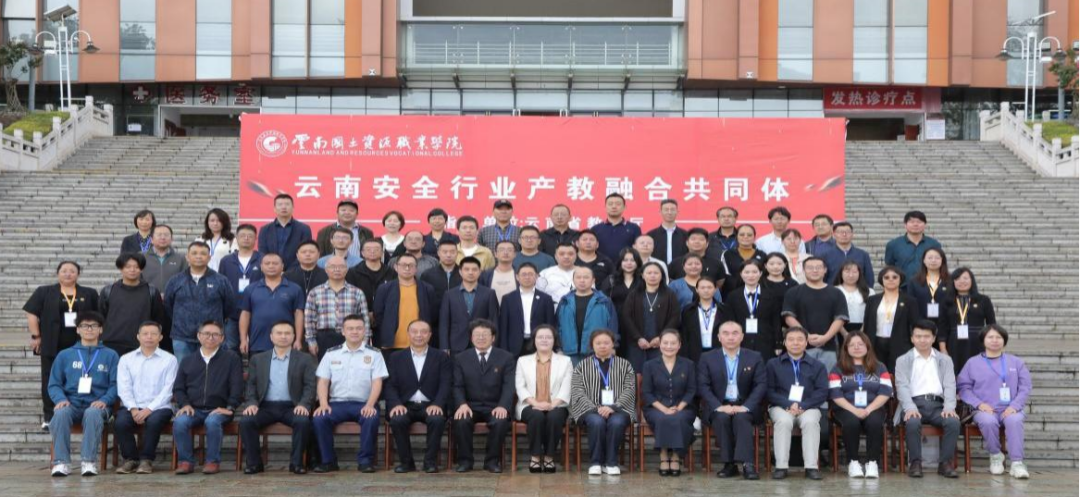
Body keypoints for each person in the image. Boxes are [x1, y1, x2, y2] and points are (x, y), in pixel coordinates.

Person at [25, 261, 100, 430]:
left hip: (81, 344)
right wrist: (36, 336)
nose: (68, 274)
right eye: (64, 270)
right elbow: (31, 313)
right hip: (52, 343)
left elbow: (98, 316)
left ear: (78, 274)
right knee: (50, 378)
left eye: (72, 271)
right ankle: (49, 416)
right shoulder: (44, 292)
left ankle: (80, 413)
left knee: (82, 375)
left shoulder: (89, 293)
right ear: (58, 273)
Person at [238, 321, 317, 475]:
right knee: (246, 421)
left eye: (287, 333)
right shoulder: (258, 359)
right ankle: (254, 463)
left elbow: (310, 385)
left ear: (294, 336)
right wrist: (252, 403)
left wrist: (304, 404)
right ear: (271, 336)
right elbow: (251, 385)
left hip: (292, 406)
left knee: (302, 421)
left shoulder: (305, 359)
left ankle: (297, 463)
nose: (283, 336)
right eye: (279, 333)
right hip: (265, 406)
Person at [312, 315, 388, 473]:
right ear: (343, 331)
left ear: (364, 331)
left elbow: (377, 382)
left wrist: (370, 404)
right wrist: (323, 404)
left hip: (363, 403)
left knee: (371, 417)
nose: (355, 332)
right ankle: (328, 461)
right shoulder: (331, 354)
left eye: (359, 328)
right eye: (350, 328)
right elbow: (323, 381)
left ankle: (365, 461)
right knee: (320, 418)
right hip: (336, 404)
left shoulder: (375, 354)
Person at [46, 312, 119, 477]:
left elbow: (116, 384)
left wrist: (105, 400)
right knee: (60, 414)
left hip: (97, 404)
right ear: (78, 330)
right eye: (84, 326)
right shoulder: (65, 355)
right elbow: (54, 384)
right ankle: (61, 463)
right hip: (71, 403)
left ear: (101, 329)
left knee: (93, 413)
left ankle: (88, 461)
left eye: (94, 326)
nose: (89, 329)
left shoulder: (111, 355)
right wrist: (60, 399)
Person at [957, 324, 1032, 479]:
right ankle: (996, 455)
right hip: (984, 409)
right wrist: (979, 404)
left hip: (1010, 409)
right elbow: (963, 388)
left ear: (1004, 340)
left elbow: (1025, 387)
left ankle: (1017, 463)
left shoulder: (1016, 362)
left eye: (998, 337)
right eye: (990, 337)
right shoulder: (972, 363)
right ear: (983, 340)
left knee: (1015, 420)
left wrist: (1014, 406)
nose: (995, 340)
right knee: (988, 421)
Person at [172, 321, 244, 475]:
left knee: (212, 422)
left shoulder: (231, 359)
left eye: (215, 334)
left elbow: (237, 386)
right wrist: (184, 404)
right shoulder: (188, 360)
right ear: (199, 336)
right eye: (206, 334)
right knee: (180, 422)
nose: (211, 337)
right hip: (193, 409)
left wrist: (230, 407)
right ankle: (186, 462)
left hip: (219, 409)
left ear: (222, 338)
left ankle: (212, 462)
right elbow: (178, 388)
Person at [698, 321, 767, 480]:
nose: (730, 337)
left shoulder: (754, 357)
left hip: (745, 406)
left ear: (742, 336)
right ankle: (729, 464)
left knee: (741, 418)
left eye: (735, 333)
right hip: (719, 405)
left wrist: (746, 406)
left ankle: (748, 464)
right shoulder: (707, 358)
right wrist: (718, 406)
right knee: (721, 418)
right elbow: (703, 386)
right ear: (719, 337)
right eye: (726, 333)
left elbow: (761, 385)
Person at [893, 320, 960, 478]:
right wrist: (910, 408)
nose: (922, 340)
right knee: (912, 421)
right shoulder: (902, 360)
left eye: (926, 336)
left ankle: (945, 463)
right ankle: (915, 463)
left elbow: (950, 385)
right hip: (913, 404)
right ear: (912, 338)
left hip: (938, 406)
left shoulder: (945, 360)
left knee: (952, 421)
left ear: (933, 338)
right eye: (918, 336)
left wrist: (949, 407)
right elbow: (902, 387)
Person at [385, 320, 452, 473]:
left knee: (436, 419)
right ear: (408, 334)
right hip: (405, 404)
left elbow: (446, 383)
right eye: (414, 332)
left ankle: (430, 462)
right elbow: (390, 385)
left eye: (423, 332)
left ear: (430, 335)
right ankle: (406, 463)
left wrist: (438, 404)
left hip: (431, 404)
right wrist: (396, 404)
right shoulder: (396, 357)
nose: (419, 335)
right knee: (397, 420)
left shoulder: (441, 357)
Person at [452, 320, 517, 473]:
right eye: (477, 334)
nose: (481, 338)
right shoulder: (460, 358)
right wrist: (462, 404)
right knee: (461, 420)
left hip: (495, 405)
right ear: (471, 337)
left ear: (493, 337)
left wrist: (503, 406)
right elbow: (457, 385)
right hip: (470, 405)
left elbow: (509, 385)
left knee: (500, 421)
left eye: (485, 334)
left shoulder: (506, 357)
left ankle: (492, 461)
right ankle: (465, 461)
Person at [569, 329, 636, 476]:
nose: (602, 346)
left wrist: (613, 407)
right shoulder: (582, 366)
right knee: (597, 422)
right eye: (598, 343)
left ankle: (611, 463)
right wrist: (596, 408)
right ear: (592, 345)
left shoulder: (625, 365)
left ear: (613, 344)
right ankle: (596, 462)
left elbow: (630, 389)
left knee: (616, 422)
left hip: (618, 409)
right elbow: (577, 390)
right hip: (590, 410)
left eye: (606, 342)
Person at [113, 321, 177, 475]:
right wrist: (134, 409)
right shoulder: (126, 359)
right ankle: (131, 459)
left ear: (160, 337)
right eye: (145, 334)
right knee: (120, 422)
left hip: (160, 407)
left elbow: (168, 390)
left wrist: (149, 409)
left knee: (154, 422)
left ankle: (146, 460)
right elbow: (124, 387)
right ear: (138, 336)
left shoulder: (170, 359)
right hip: (132, 406)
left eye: (154, 334)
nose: (149, 337)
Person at [765, 327, 828, 480]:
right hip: (781, 407)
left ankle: (811, 467)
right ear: (785, 343)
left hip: (809, 407)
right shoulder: (773, 364)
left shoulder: (818, 366)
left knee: (811, 422)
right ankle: (781, 466)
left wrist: (802, 406)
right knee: (783, 421)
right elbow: (768, 391)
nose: (795, 343)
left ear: (806, 343)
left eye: (800, 339)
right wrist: (788, 404)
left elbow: (822, 392)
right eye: (791, 339)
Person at [828, 332, 892, 479]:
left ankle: (872, 463)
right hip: (845, 408)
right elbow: (836, 395)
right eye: (852, 345)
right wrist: (854, 410)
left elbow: (885, 392)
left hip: (873, 407)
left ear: (867, 346)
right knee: (851, 422)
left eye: (860, 344)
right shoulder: (837, 368)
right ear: (846, 348)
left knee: (875, 422)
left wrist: (868, 409)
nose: (856, 347)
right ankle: (853, 462)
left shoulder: (880, 367)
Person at [164, 242, 235, 364]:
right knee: (185, 370)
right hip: (182, 337)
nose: (198, 256)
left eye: (203, 253)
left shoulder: (221, 280)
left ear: (209, 257)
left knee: (212, 370)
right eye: (194, 253)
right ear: (187, 257)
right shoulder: (175, 280)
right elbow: (168, 305)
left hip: (211, 336)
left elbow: (229, 306)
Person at [515, 325, 573, 473]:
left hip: (557, 405)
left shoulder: (565, 361)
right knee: (536, 416)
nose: (544, 340)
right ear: (534, 340)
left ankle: (549, 457)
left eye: (548, 337)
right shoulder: (523, 361)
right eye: (540, 337)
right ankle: (535, 456)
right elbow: (520, 386)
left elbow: (566, 387)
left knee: (554, 417)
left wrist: (552, 404)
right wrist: (535, 403)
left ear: (554, 340)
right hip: (529, 405)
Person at [641, 329, 697, 477]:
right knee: (662, 418)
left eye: (673, 343)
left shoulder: (688, 364)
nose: (669, 346)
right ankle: (664, 454)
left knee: (679, 418)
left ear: (679, 345)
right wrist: (664, 409)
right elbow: (647, 392)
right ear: (660, 344)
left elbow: (691, 390)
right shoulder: (649, 365)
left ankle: (676, 456)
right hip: (656, 407)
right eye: (665, 343)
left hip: (683, 407)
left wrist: (679, 407)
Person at [781, 257, 849, 372]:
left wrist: (826, 337)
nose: (814, 270)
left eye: (818, 267)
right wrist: (806, 336)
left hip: (829, 347)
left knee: (828, 378)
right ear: (803, 270)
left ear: (825, 270)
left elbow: (840, 318)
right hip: (800, 347)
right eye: (810, 268)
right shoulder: (793, 292)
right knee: (801, 378)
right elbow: (788, 317)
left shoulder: (836, 293)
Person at [99, 253, 166, 357]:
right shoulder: (108, 291)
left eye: (136, 267)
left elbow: (158, 319)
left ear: (141, 269)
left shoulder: (151, 291)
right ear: (121, 268)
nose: (132, 270)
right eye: (128, 267)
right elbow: (100, 317)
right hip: (112, 344)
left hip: (141, 344)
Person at [239, 252, 306, 355]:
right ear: (261, 267)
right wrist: (243, 340)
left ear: (282, 266)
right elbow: (245, 314)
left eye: (275, 263)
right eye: (267, 263)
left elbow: (299, 315)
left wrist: (298, 339)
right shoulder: (251, 289)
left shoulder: (295, 289)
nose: (271, 266)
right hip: (257, 343)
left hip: (286, 342)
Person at [305, 256, 370, 360]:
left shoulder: (357, 292)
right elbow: (309, 319)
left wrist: (365, 340)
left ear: (347, 269)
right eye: (332, 267)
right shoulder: (315, 292)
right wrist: (311, 340)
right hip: (324, 338)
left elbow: (364, 318)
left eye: (341, 267)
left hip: (350, 337)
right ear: (326, 270)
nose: (337, 269)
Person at [622, 262, 681, 371]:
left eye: (656, 273)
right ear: (642, 275)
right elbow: (626, 317)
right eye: (649, 273)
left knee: (659, 374)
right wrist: (638, 338)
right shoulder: (634, 294)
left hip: (660, 345)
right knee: (637, 376)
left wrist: (661, 337)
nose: (652, 276)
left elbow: (675, 317)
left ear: (661, 276)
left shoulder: (669, 294)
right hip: (637, 344)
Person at [555, 267, 619, 364]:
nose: (582, 280)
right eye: (578, 277)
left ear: (593, 280)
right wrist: (558, 348)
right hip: (568, 352)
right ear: (573, 280)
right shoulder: (565, 301)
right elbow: (557, 325)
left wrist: (613, 347)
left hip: (597, 351)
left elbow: (612, 325)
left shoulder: (604, 301)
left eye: (586, 277)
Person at [374, 254, 437, 352]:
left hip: (419, 342)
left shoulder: (427, 289)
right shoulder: (385, 289)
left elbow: (433, 314)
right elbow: (378, 314)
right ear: (396, 267)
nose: (407, 268)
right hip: (393, 344)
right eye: (403, 265)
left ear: (416, 268)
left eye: (411, 265)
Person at [940, 268, 996, 374]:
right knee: (955, 373)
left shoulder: (983, 300)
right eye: (958, 279)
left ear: (972, 280)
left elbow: (992, 325)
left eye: (965, 278)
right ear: (953, 282)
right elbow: (942, 327)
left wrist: (991, 343)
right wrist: (943, 349)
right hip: (954, 343)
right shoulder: (947, 302)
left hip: (977, 342)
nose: (962, 281)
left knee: (978, 372)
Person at [863, 266, 919, 372]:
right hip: (876, 343)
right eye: (886, 277)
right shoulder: (872, 300)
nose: (891, 280)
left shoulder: (909, 301)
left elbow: (915, 325)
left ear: (900, 279)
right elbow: (867, 324)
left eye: (894, 277)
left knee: (898, 373)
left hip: (900, 343)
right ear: (881, 280)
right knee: (877, 373)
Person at [439, 257, 500, 353]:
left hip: (482, 342)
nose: (470, 272)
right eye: (466, 269)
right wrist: (444, 347)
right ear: (460, 272)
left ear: (480, 272)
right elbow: (444, 323)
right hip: (456, 343)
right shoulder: (449, 295)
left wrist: (493, 345)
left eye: (474, 269)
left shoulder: (489, 293)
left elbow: (494, 320)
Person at [218, 224, 264, 352]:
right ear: (236, 239)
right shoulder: (226, 261)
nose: (246, 238)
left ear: (256, 239)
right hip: (232, 312)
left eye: (250, 236)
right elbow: (221, 285)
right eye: (242, 235)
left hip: (256, 311)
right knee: (231, 348)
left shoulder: (263, 259)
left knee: (256, 347)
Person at [497, 263, 557, 356]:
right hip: (514, 345)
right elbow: (504, 326)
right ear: (517, 277)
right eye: (524, 274)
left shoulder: (546, 299)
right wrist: (504, 348)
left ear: (536, 276)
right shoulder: (508, 299)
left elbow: (550, 324)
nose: (527, 277)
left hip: (538, 343)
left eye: (530, 274)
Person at [726, 260, 780, 362]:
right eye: (747, 272)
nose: (751, 275)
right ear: (741, 274)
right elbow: (730, 321)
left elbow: (776, 321)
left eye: (755, 272)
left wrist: (778, 343)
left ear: (761, 273)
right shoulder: (733, 296)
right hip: (741, 342)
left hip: (766, 341)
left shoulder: (771, 295)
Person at [257, 193, 313, 271]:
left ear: (293, 208)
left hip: (296, 272)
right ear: (274, 208)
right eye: (280, 204)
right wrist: (274, 268)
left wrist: (290, 272)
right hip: (271, 271)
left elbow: (305, 252)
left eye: (287, 204)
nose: (283, 207)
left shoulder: (304, 229)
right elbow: (262, 252)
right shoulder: (265, 229)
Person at [680, 277, 731, 362]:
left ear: (715, 289)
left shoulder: (724, 310)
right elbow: (685, 335)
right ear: (697, 289)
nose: (706, 290)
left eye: (709, 287)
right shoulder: (688, 310)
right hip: (694, 353)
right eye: (702, 287)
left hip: (718, 351)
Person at [884, 210, 942, 283]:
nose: (915, 224)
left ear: (925, 224)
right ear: (905, 224)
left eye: (919, 222)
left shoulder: (934, 244)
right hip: (902, 286)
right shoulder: (893, 244)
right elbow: (889, 267)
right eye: (912, 222)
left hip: (927, 286)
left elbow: (940, 265)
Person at [346, 239, 397, 315]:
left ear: (382, 252)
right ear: (362, 253)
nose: (372, 251)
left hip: (385, 314)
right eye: (368, 249)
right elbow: (351, 295)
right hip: (360, 314)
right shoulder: (352, 272)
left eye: (376, 249)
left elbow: (394, 296)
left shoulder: (391, 272)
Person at [420, 239, 463, 324]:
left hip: (460, 317)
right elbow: (423, 299)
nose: (448, 255)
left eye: (452, 252)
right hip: (435, 320)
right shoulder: (428, 274)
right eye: (445, 252)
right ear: (438, 253)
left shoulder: (464, 274)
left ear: (457, 253)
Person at [591, 193, 642, 262]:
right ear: (605, 207)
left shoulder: (634, 228)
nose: (614, 206)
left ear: (624, 207)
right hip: (601, 266)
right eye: (610, 204)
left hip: (626, 266)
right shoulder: (596, 229)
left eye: (618, 204)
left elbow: (638, 250)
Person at [598, 248, 644, 324]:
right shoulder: (611, 280)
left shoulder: (643, 280)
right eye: (625, 260)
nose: (629, 263)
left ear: (638, 262)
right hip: (615, 321)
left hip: (638, 322)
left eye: (632, 260)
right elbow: (603, 301)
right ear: (620, 262)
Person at [720, 224, 766, 295]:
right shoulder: (727, 254)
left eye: (749, 235)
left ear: (754, 237)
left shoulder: (762, 255)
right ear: (736, 236)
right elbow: (726, 276)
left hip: (757, 293)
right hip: (733, 294)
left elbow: (764, 276)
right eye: (742, 235)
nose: (745, 237)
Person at [908, 247, 951, 321]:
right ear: (924, 260)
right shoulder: (914, 281)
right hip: (922, 323)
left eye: (937, 258)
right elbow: (911, 305)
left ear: (942, 260)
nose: (933, 260)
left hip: (946, 323)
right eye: (930, 258)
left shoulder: (951, 280)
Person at [142, 225, 188, 292]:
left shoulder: (181, 258)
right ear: (151, 239)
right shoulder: (142, 257)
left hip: (173, 296)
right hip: (147, 296)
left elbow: (185, 280)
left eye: (166, 235)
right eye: (159, 235)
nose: (163, 237)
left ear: (171, 239)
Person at [835, 260, 874, 335]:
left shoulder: (869, 291)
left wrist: (861, 333)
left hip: (864, 329)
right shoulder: (834, 290)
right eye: (847, 272)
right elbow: (832, 314)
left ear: (859, 273)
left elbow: (871, 314)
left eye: (854, 272)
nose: (851, 275)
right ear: (841, 273)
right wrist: (844, 333)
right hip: (838, 329)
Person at [804, 214, 845, 284]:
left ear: (831, 226)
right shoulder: (807, 245)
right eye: (817, 225)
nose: (820, 227)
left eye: (824, 224)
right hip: (814, 282)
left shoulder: (842, 245)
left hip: (837, 282)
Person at [832, 222, 874, 288]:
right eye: (840, 232)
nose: (844, 234)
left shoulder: (863, 255)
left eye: (847, 232)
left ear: (852, 234)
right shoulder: (825, 255)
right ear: (834, 235)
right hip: (832, 292)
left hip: (858, 292)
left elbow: (869, 277)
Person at [195, 208, 238, 272]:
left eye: (219, 221)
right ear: (207, 222)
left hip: (223, 274)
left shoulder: (232, 240)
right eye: (212, 220)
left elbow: (235, 260)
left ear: (224, 222)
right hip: (203, 274)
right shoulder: (200, 239)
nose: (215, 223)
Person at [647, 199, 688, 265]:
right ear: (660, 212)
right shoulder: (651, 235)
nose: (669, 212)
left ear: (677, 212)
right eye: (666, 210)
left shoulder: (685, 235)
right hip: (657, 269)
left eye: (672, 210)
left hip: (680, 269)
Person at [537, 243, 579, 308]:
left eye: (570, 254)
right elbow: (538, 296)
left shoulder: (585, 272)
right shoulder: (545, 273)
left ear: (576, 256)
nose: (566, 257)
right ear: (555, 256)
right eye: (562, 254)